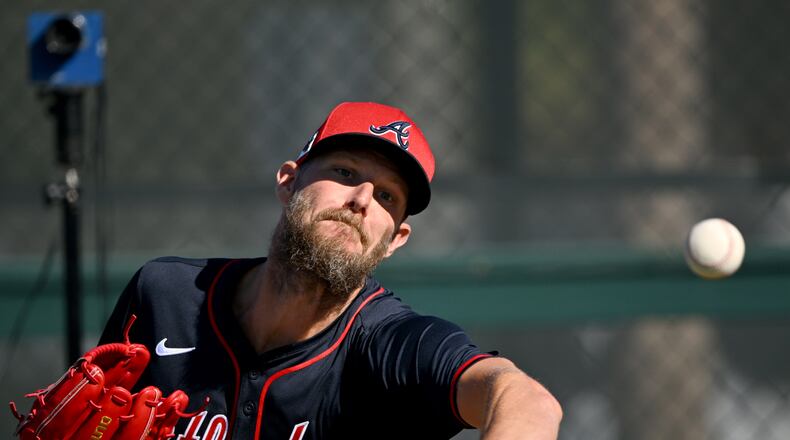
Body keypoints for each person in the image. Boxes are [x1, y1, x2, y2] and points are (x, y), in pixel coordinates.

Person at [99, 102, 562, 439]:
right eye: (344, 172)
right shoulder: (167, 294)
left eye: (387, 197)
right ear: (288, 182)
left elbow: (525, 399)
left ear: (395, 239)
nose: (361, 200)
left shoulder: (389, 345)